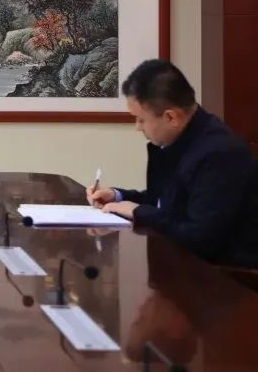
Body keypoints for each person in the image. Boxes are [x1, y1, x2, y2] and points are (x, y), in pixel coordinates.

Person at [86, 59, 258, 267]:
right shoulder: (183, 138)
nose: (137, 127)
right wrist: (118, 196)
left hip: (227, 277)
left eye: (141, 119)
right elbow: (166, 202)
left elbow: (199, 238)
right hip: (181, 266)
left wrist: (138, 211)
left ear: (170, 117)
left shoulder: (220, 154)